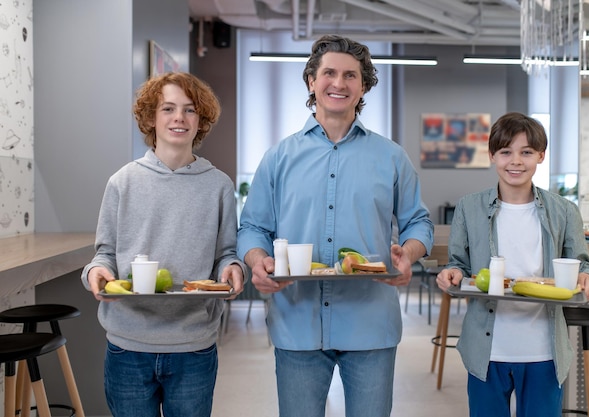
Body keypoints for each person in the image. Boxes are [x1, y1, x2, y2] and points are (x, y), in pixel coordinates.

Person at [237, 34, 434, 417]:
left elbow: (418, 222)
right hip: (297, 323)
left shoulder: (391, 157)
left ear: (364, 86)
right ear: (312, 80)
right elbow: (253, 228)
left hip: (371, 325)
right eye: (329, 73)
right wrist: (257, 260)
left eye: (350, 76)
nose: (339, 84)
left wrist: (407, 255)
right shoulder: (278, 157)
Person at [81, 72, 247, 417]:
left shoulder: (218, 185)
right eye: (168, 108)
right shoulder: (122, 182)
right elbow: (105, 255)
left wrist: (232, 268)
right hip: (128, 344)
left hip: (193, 345)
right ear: (150, 118)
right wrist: (96, 272)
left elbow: (226, 254)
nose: (179, 118)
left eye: (189, 110)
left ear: (200, 120)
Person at [436, 112, 589, 417]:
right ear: (492, 156)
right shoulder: (468, 207)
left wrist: (588, 279)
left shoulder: (564, 211)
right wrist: (451, 274)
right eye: (506, 152)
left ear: (541, 155)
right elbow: (457, 263)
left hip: (544, 350)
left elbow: (583, 265)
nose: (516, 161)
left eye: (526, 152)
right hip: (486, 350)